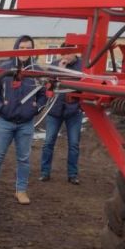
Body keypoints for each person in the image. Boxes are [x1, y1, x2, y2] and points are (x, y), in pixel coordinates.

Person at [0, 35, 45, 205]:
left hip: (26, 123)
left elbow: (44, 95)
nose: (24, 52)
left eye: (28, 48)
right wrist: (1, 107)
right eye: (21, 48)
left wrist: (35, 108)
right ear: (16, 48)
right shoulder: (5, 69)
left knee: (24, 158)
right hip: (5, 121)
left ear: (33, 50)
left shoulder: (37, 71)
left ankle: (21, 191)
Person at [40, 44, 83, 185]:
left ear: (75, 52)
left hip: (73, 111)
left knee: (74, 144)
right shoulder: (55, 65)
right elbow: (48, 86)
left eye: (68, 53)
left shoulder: (83, 65)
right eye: (63, 53)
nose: (65, 57)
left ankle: (72, 175)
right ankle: (45, 172)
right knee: (48, 142)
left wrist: (80, 106)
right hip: (55, 110)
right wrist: (60, 70)